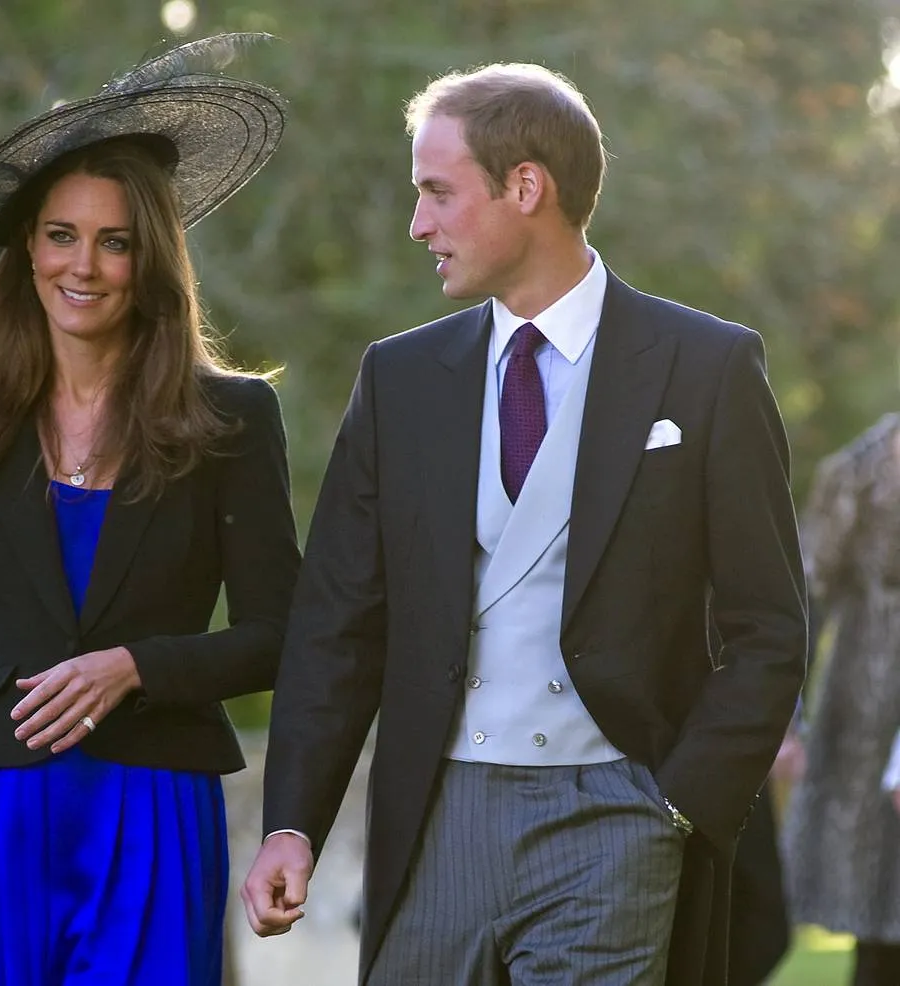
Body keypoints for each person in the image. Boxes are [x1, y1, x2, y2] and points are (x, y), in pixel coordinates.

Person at [241, 61, 807, 986]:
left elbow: (769, 627)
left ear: (527, 186)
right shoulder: (400, 379)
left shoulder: (707, 368)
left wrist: (675, 810)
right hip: (435, 811)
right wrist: (293, 821)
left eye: (437, 193)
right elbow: (336, 622)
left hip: (616, 818)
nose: (419, 223)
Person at [0, 34, 299, 985]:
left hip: (157, 807)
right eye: (61, 235)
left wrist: (137, 668)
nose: (86, 265)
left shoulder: (232, 418)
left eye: (115, 240)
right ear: (26, 248)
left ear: (149, 258)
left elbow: (285, 633)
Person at [781, 413, 900, 986]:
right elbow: (805, 599)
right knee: (872, 911)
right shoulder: (856, 472)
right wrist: (787, 720)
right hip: (865, 709)